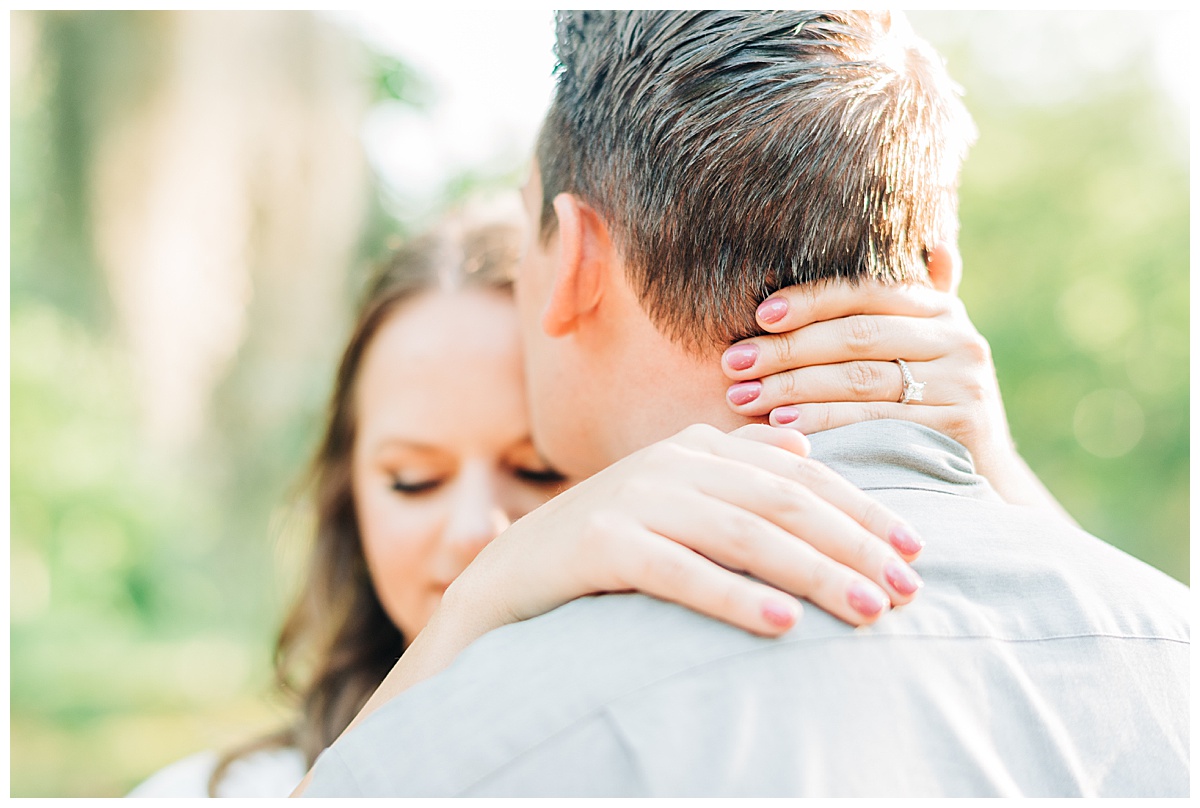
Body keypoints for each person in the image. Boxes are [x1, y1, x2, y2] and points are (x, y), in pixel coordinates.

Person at [298, 10, 1189, 797]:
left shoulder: (473, 737)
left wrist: (467, 620)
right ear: (937, 277)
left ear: (572, 258)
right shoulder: (1168, 658)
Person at [129, 194, 1024, 797]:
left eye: (537, 472)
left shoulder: (743, 755)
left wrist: (997, 468)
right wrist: (476, 607)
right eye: (411, 480)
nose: (478, 532)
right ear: (346, 495)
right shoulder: (219, 791)